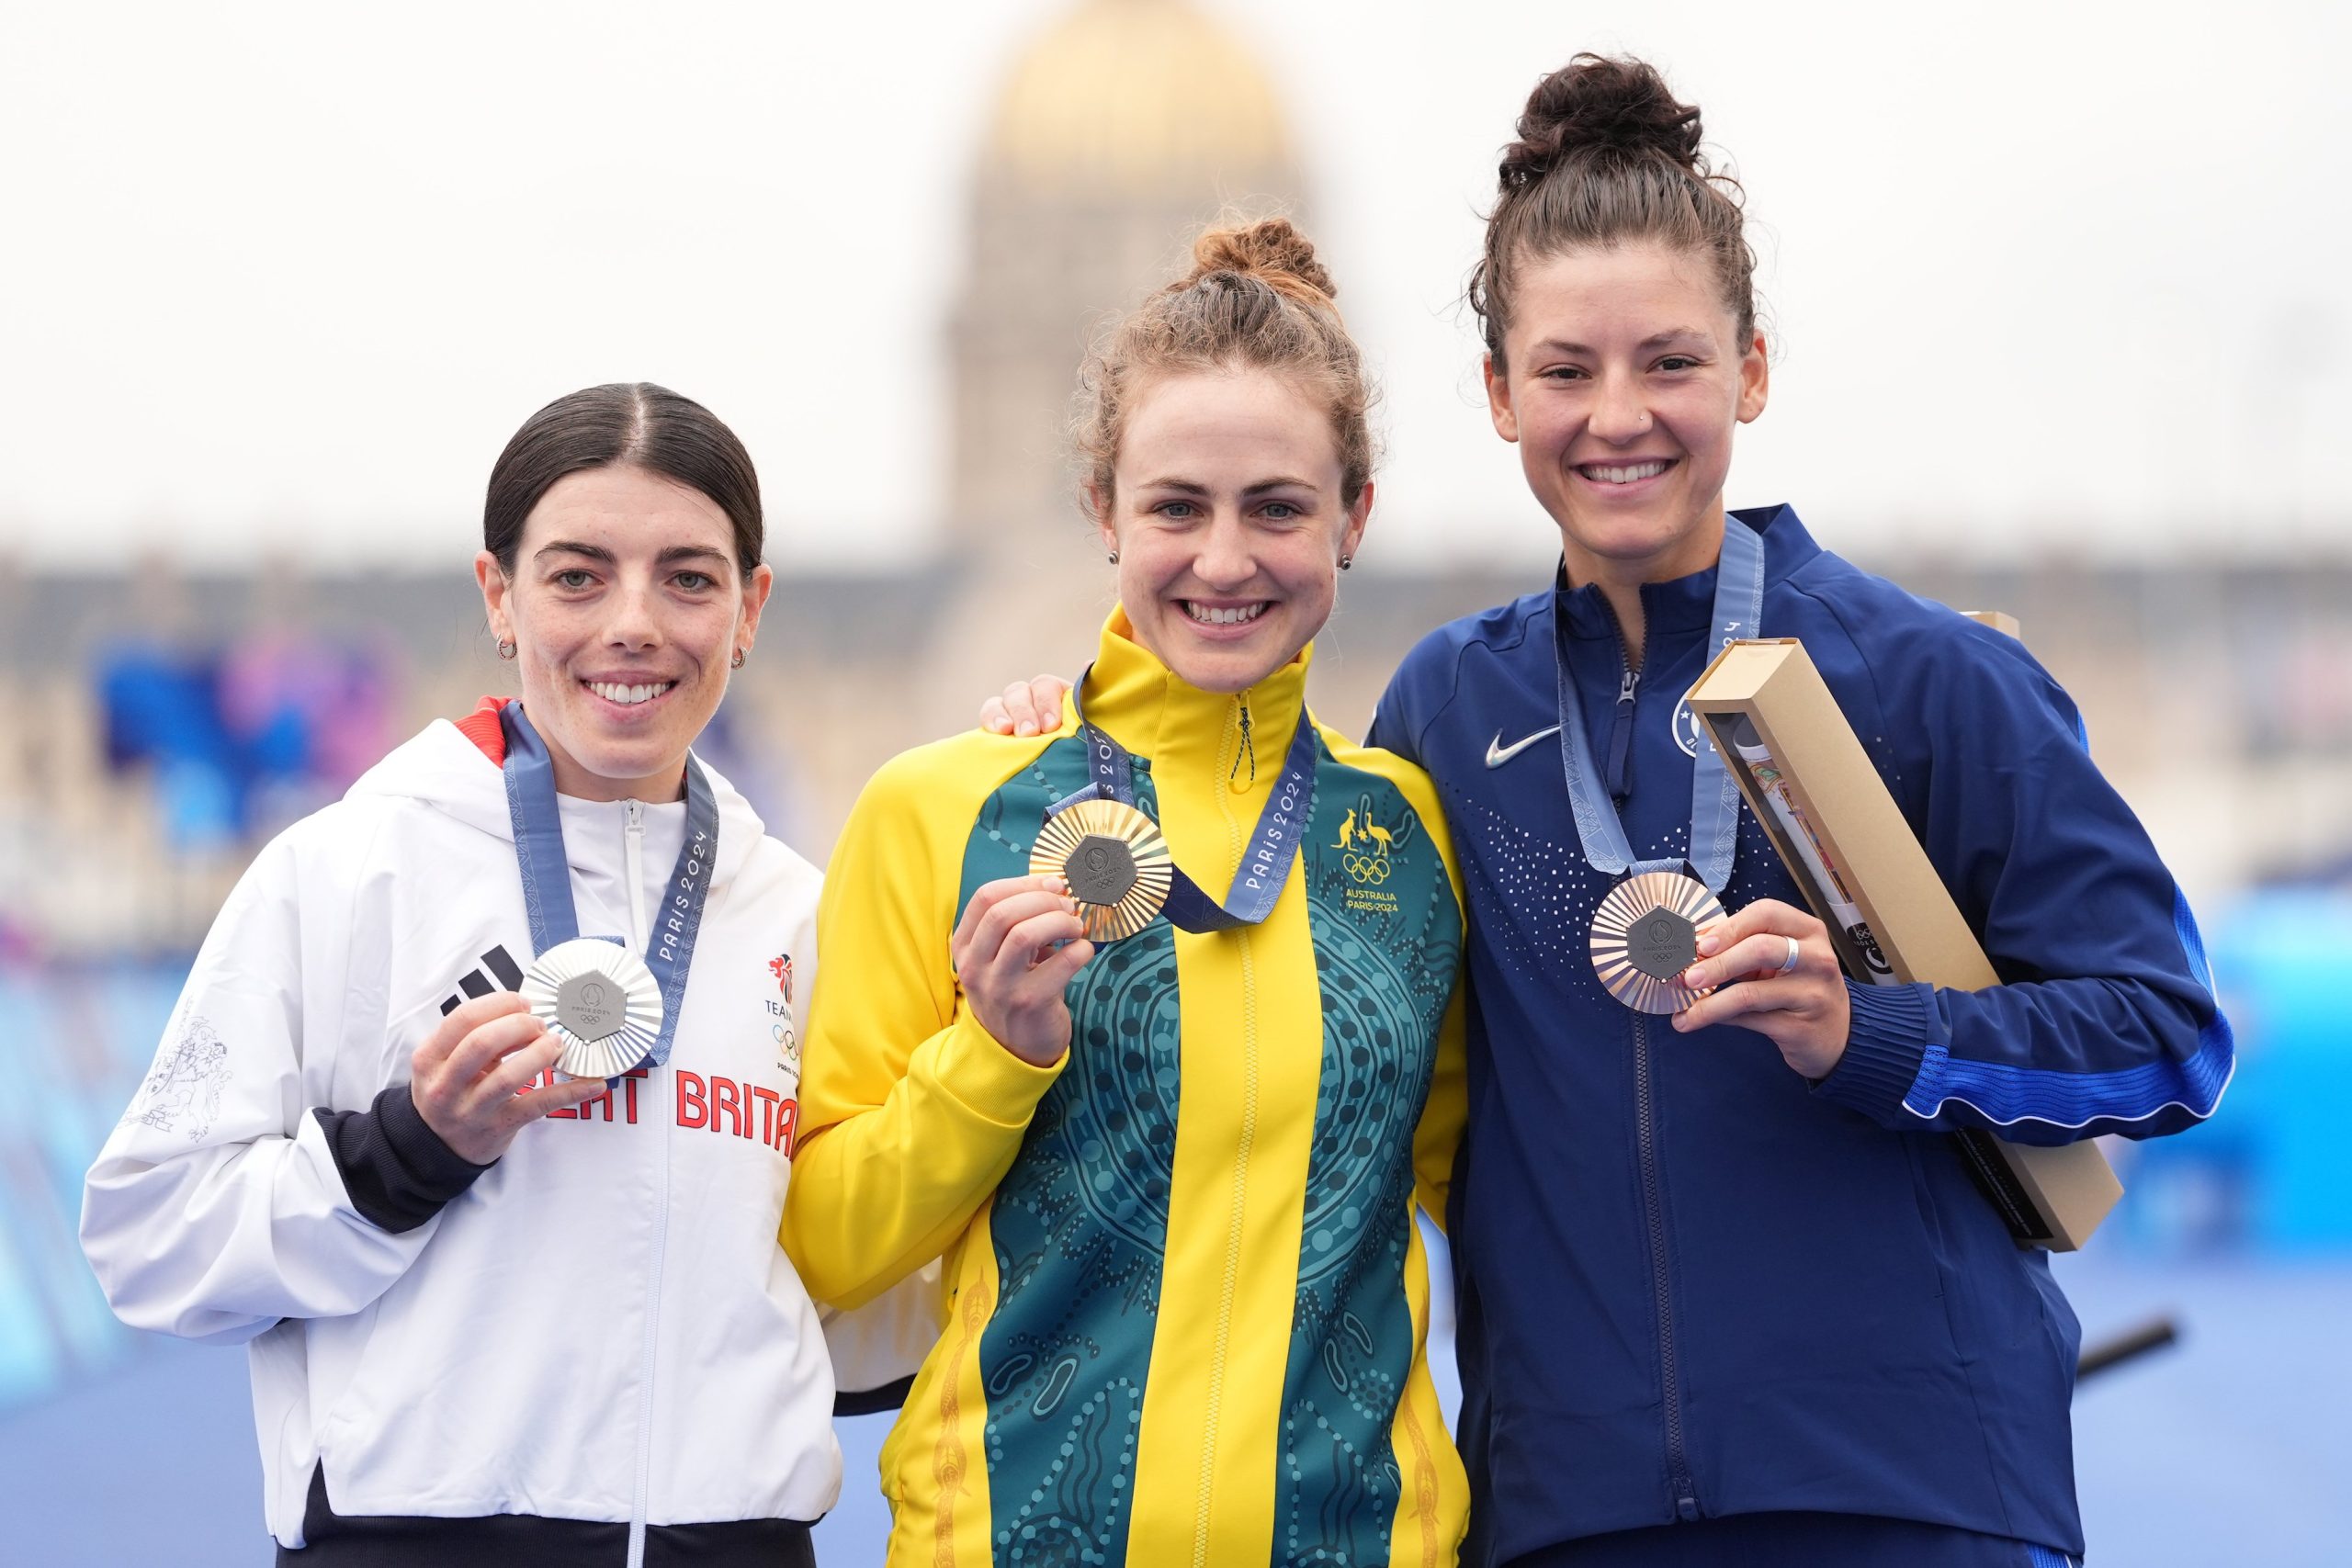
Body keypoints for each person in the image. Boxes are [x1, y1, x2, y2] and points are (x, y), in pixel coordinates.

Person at [989, 59, 2233, 1568]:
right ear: (1503, 393)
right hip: (1569, 1513)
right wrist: (1077, 737)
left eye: (1672, 363)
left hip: (1907, 1494)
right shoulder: (1444, 711)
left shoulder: (1936, 678)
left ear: (1753, 371)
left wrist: (1876, 1036)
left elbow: (2168, 1038)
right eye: (1568, 371)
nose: (1618, 418)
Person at [82, 383, 909, 1567]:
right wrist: (409, 1149)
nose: (635, 623)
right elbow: (150, 1242)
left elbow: (857, 1299)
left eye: (689, 577)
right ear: (499, 598)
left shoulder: (801, 911)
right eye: (577, 576)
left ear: (750, 608)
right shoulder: (342, 871)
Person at [780, 219, 1473, 1566]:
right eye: (1175, 507)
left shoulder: (1412, 833)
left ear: (1356, 515)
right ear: (1102, 510)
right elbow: (819, 1250)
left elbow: (1511, 1204)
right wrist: (989, 1059)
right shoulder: (940, 808)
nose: (1224, 561)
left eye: (1277, 506)